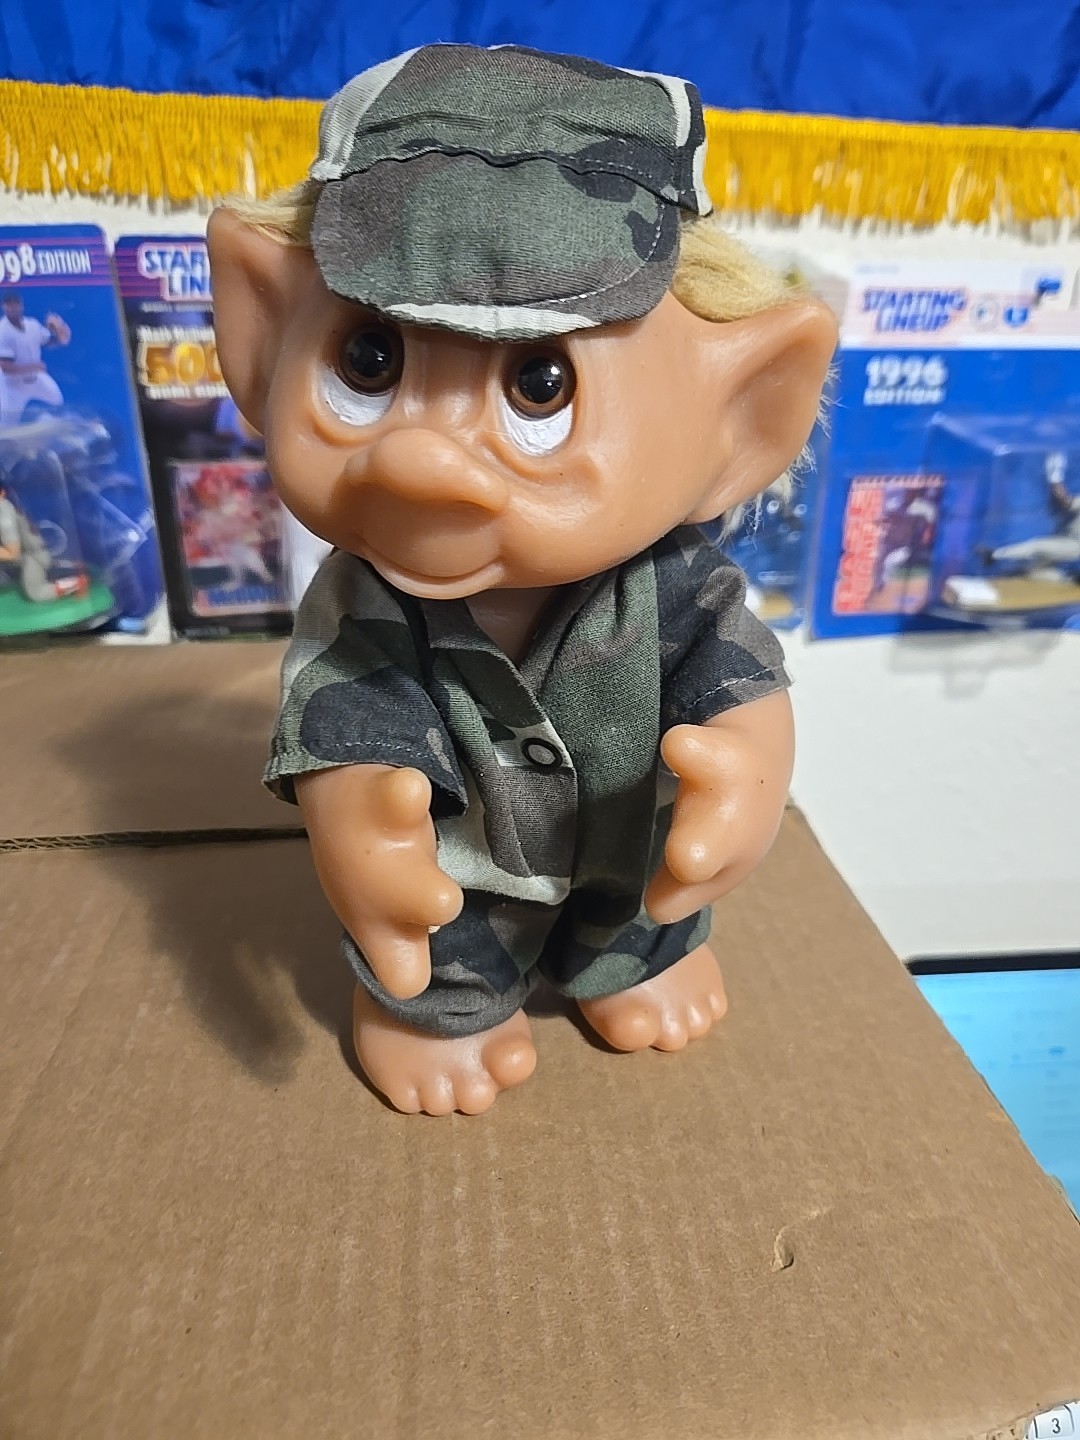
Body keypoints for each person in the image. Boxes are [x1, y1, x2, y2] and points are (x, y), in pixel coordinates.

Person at [208, 44, 836, 1114]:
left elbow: (740, 684)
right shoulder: (366, 601)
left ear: (742, 413)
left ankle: (632, 962)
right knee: (427, 926)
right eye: (369, 363)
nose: (422, 461)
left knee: (654, 897)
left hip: (626, 860)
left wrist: (750, 772)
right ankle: (440, 1006)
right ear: (264, 336)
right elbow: (344, 720)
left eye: (539, 387)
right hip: (462, 881)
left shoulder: (677, 589)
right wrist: (358, 822)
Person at [0, 292, 71, 425]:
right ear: (4, 307)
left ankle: (46, 425)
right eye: (9, 304)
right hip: (12, 385)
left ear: (21, 305)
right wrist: (33, 367)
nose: (13, 307)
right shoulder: (2, 331)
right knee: (7, 424)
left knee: (57, 401)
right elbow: (5, 367)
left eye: (16, 303)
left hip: (35, 378)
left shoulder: (32, 324)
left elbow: (48, 341)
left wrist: (60, 332)